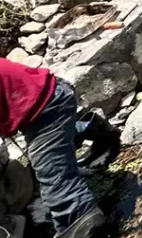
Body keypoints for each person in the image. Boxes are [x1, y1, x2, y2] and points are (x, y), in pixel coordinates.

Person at [1, 57, 120, 238]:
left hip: (47, 107)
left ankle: (81, 222)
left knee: (58, 188)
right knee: (50, 150)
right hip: (48, 97)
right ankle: (89, 127)